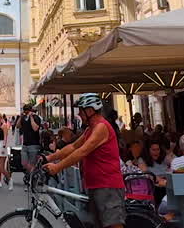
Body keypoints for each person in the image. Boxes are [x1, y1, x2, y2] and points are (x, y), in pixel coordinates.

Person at [45, 94, 126, 228]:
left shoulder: (101, 127)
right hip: (96, 185)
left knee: (113, 225)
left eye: (81, 111)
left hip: (107, 186)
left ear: (90, 111)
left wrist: (57, 167)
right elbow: (73, 146)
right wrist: (49, 158)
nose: (79, 114)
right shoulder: (90, 129)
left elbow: (82, 151)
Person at [16, 104, 43, 178]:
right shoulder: (23, 118)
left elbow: (35, 128)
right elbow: (17, 126)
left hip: (34, 144)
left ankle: (31, 180)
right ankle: (31, 176)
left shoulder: (36, 118)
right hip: (25, 144)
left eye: (27, 110)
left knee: (32, 163)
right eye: (25, 110)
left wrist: (31, 117)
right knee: (24, 163)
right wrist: (21, 117)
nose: (26, 112)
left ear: (31, 110)